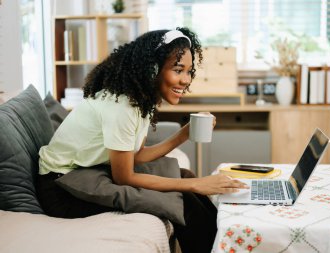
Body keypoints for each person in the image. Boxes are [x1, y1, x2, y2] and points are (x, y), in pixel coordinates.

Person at [36, 27, 247, 253]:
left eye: (189, 71)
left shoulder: (142, 101)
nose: (185, 80)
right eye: (178, 70)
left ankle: (229, 243)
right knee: (181, 198)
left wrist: (184, 134)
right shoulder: (122, 106)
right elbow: (124, 176)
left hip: (87, 171)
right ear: (153, 68)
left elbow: (137, 156)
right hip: (60, 187)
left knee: (183, 177)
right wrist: (195, 185)